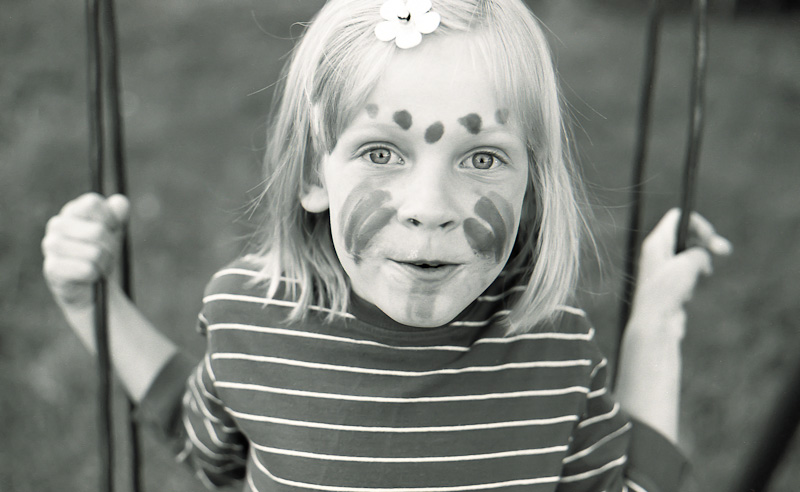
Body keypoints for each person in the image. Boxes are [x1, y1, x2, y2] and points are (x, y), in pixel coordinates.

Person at [41, 0, 732, 490]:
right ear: (314, 174)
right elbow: (203, 442)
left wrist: (655, 327)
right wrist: (89, 303)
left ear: (534, 185)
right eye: (381, 152)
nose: (429, 209)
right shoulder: (251, 324)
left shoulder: (553, 351)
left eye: (482, 158)